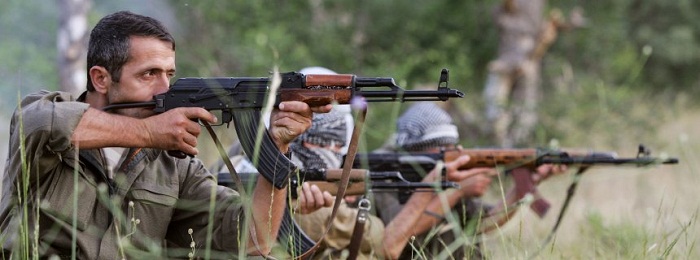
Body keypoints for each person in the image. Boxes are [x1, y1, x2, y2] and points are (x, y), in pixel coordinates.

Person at [0, 11, 331, 259]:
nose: (164, 89)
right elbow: (43, 124)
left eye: (169, 74)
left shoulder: (177, 167)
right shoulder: (43, 122)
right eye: (148, 74)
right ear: (101, 79)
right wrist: (147, 132)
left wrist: (277, 147)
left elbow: (254, 238)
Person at [374, 102, 566, 259]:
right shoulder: (388, 178)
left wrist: (525, 185)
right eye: (439, 147)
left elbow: (488, 223)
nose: (451, 152)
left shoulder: (447, 176)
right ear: (415, 149)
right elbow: (400, 234)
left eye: (451, 145)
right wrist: (457, 192)